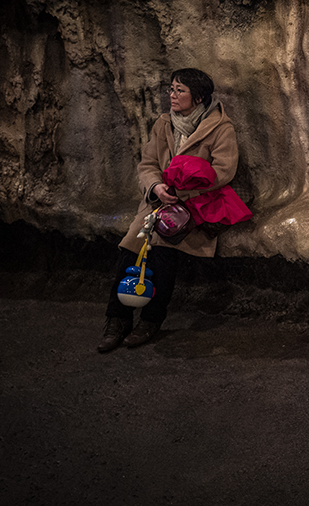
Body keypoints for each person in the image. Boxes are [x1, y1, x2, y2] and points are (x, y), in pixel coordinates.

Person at [97, 68, 242, 352]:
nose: (172, 95)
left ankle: (151, 320)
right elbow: (148, 163)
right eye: (171, 89)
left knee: (163, 256)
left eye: (179, 90)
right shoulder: (164, 123)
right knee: (129, 252)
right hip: (157, 202)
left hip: (191, 208)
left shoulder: (220, 127)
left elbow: (224, 171)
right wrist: (156, 187)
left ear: (197, 97)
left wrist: (182, 191)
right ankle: (117, 319)